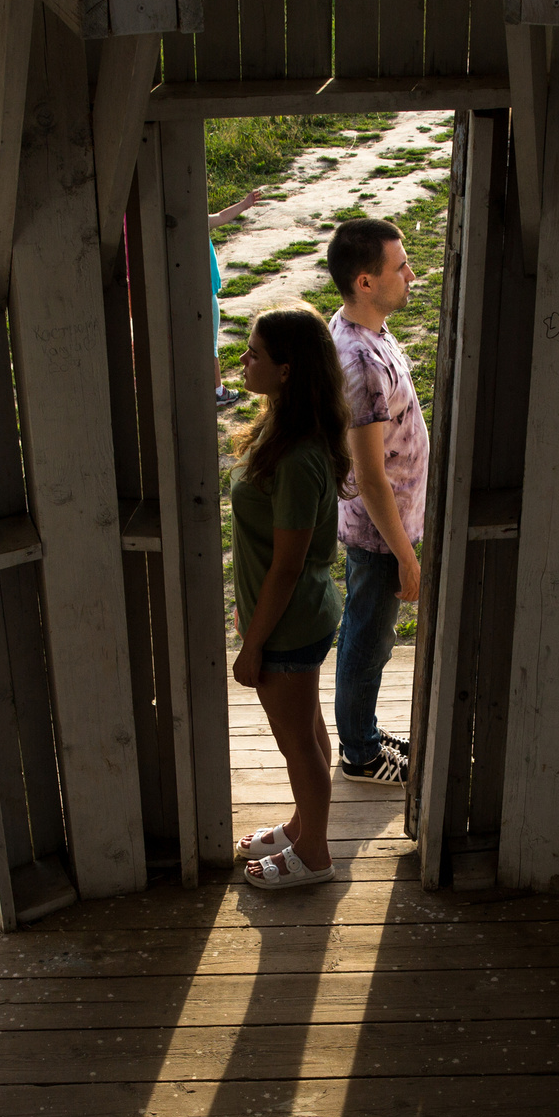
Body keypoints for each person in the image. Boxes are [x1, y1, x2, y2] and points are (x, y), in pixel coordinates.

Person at [226, 304, 352, 891]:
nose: (243, 360)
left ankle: (316, 856)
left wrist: (253, 646)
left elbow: (287, 565)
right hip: (288, 616)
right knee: (308, 732)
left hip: (289, 626)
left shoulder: (300, 457)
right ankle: (304, 827)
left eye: (254, 353)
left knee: (297, 744)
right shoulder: (280, 429)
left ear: (286, 369)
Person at [324, 216, 429, 787]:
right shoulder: (360, 366)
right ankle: (360, 753)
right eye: (400, 265)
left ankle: (361, 728)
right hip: (379, 532)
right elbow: (369, 475)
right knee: (368, 639)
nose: (411, 273)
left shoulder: (371, 333)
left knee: (371, 635)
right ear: (366, 282)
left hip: (390, 525)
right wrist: (405, 556)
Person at [209, 187, 263, 408]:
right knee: (210, 345)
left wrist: (245, 203)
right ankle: (217, 391)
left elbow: (221, 216)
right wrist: (245, 203)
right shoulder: (196, 221)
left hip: (196, 291)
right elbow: (220, 218)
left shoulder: (182, 224)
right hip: (205, 293)